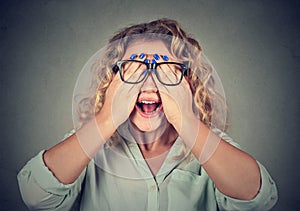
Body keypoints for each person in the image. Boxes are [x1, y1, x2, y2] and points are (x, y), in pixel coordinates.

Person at [17, 19, 278, 211]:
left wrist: (186, 121)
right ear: (114, 80)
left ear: (188, 84)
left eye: (167, 71)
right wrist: (107, 117)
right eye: (134, 70)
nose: (150, 84)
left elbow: (256, 199)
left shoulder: (208, 143)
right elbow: (36, 196)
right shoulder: (92, 144)